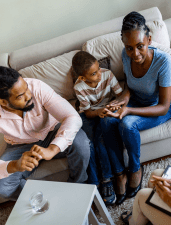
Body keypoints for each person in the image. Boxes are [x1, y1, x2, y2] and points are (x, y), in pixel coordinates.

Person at [0, 66, 90, 200]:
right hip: (19, 146)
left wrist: (53, 149)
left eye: (26, 88)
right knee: (1, 187)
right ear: (3, 102)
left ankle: (78, 185)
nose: (29, 96)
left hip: (52, 131)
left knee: (81, 143)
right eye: (20, 96)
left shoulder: (37, 87)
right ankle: (46, 200)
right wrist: (15, 165)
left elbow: (72, 117)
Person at [100, 11, 171, 205]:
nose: (135, 54)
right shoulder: (125, 56)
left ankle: (135, 169)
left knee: (127, 124)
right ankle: (119, 173)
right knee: (107, 119)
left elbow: (163, 106)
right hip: (137, 100)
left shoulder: (163, 62)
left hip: (159, 107)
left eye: (140, 46)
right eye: (129, 48)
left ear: (149, 39)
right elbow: (130, 86)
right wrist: (122, 99)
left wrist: (129, 110)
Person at [72, 51, 123, 205]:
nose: (99, 74)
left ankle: (107, 179)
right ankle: (94, 183)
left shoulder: (107, 75)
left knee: (101, 140)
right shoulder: (79, 87)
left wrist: (112, 108)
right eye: (94, 73)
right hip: (89, 115)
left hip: (108, 110)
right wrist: (98, 112)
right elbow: (87, 112)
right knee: (89, 146)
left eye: (98, 68)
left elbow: (121, 96)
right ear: (82, 77)